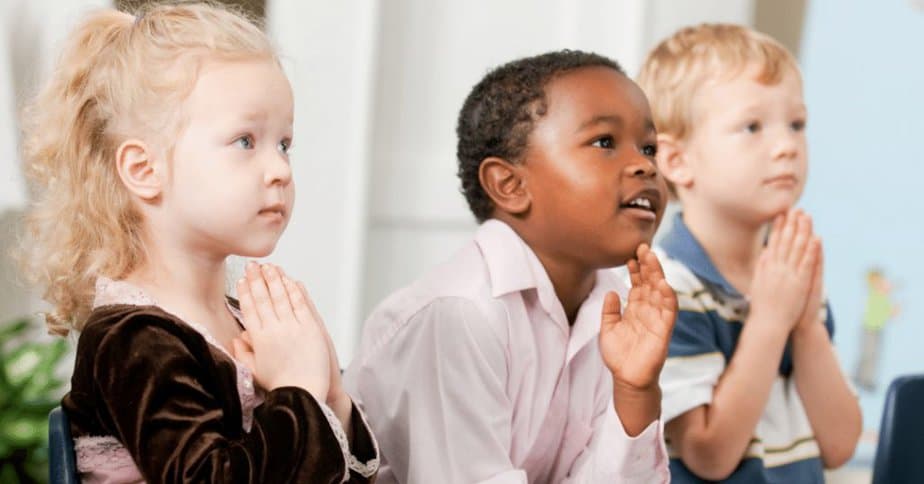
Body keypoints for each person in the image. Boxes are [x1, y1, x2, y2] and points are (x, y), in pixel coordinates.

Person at [18, 3, 378, 482]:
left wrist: (332, 398)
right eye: (245, 141)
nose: (280, 170)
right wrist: (298, 391)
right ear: (144, 170)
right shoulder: (133, 338)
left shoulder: (246, 323)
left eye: (284, 143)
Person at [344, 50, 675, 483]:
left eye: (649, 147)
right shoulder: (459, 314)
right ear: (510, 184)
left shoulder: (617, 306)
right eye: (605, 143)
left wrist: (635, 392)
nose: (644, 164)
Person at [637, 23, 861, 482]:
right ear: (676, 161)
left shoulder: (788, 272)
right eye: (752, 127)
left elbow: (840, 445)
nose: (786, 147)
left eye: (796, 124)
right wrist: (771, 320)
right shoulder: (665, 288)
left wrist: (804, 325)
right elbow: (710, 455)